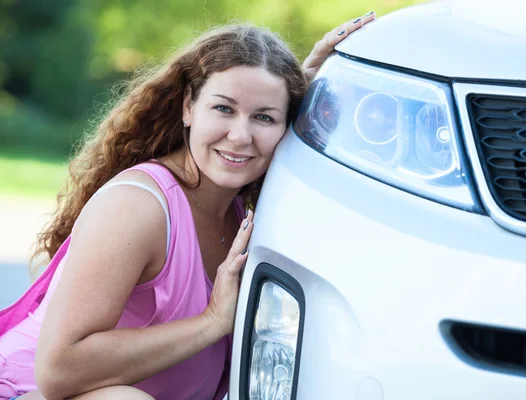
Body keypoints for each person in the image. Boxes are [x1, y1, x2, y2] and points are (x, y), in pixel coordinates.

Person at [0, 13, 376, 400]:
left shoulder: (244, 211)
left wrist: (308, 92)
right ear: (188, 108)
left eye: (264, 117)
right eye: (224, 109)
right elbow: (58, 370)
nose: (241, 135)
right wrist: (211, 322)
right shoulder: (139, 207)